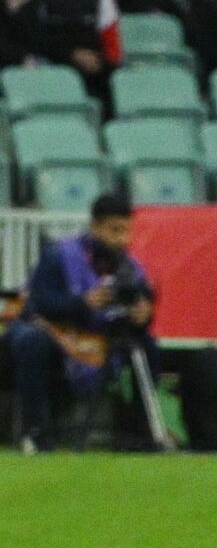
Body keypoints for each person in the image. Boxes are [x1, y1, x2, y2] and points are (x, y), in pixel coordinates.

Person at [5, 194, 158, 454]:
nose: (122, 239)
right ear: (95, 227)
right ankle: (35, 433)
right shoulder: (59, 255)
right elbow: (41, 303)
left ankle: (141, 434)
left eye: (127, 231)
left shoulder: (130, 268)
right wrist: (82, 304)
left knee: (148, 346)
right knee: (32, 342)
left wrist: (142, 317)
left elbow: (140, 305)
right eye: (114, 231)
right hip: (55, 333)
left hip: (97, 339)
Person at [31, 0, 123, 108]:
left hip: (93, 69)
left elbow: (111, 41)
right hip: (52, 66)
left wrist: (101, 62)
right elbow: (35, 37)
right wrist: (71, 55)